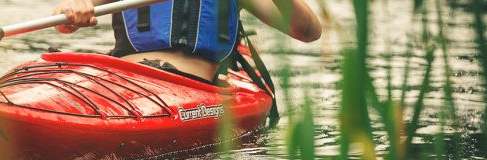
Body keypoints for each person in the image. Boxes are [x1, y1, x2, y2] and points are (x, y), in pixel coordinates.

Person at [52, 0, 321, 84]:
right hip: (124, 85)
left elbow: (307, 31)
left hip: (194, 90)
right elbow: (63, 21)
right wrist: (72, 12)